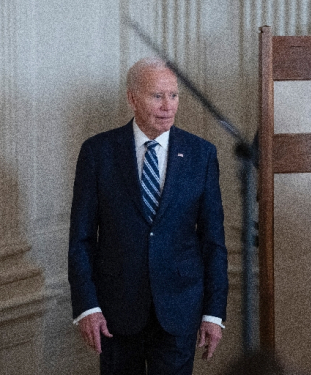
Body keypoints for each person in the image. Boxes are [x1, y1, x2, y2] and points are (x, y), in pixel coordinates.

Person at [68, 56, 229, 374]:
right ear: (132, 98)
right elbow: (81, 239)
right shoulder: (98, 153)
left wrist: (213, 313)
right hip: (116, 313)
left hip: (179, 311)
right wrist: (87, 306)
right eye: (157, 96)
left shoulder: (201, 154)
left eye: (174, 95)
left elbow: (213, 240)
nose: (168, 106)